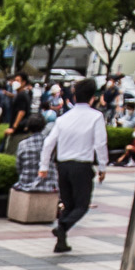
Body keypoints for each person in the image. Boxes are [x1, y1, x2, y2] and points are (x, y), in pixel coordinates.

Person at [38, 77, 106, 253]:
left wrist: (43, 166)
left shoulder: (63, 118)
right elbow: (100, 144)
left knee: (68, 205)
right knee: (81, 206)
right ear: (93, 97)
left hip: (63, 166)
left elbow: (48, 143)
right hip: (82, 167)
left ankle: (61, 241)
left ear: (74, 97)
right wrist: (102, 167)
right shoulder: (96, 117)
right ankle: (63, 227)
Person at [12, 115, 53, 193]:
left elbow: (18, 166)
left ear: (28, 126)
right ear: (44, 126)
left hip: (26, 183)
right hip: (48, 184)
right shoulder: (49, 143)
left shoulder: (22, 144)